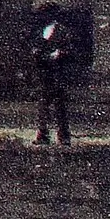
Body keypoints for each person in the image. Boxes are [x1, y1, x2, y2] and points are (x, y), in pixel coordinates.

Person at [33, 14, 75, 145]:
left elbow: (69, 50)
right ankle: (43, 134)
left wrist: (59, 54)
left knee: (59, 105)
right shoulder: (40, 30)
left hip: (57, 72)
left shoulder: (62, 31)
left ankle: (63, 136)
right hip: (44, 72)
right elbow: (35, 47)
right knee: (43, 105)